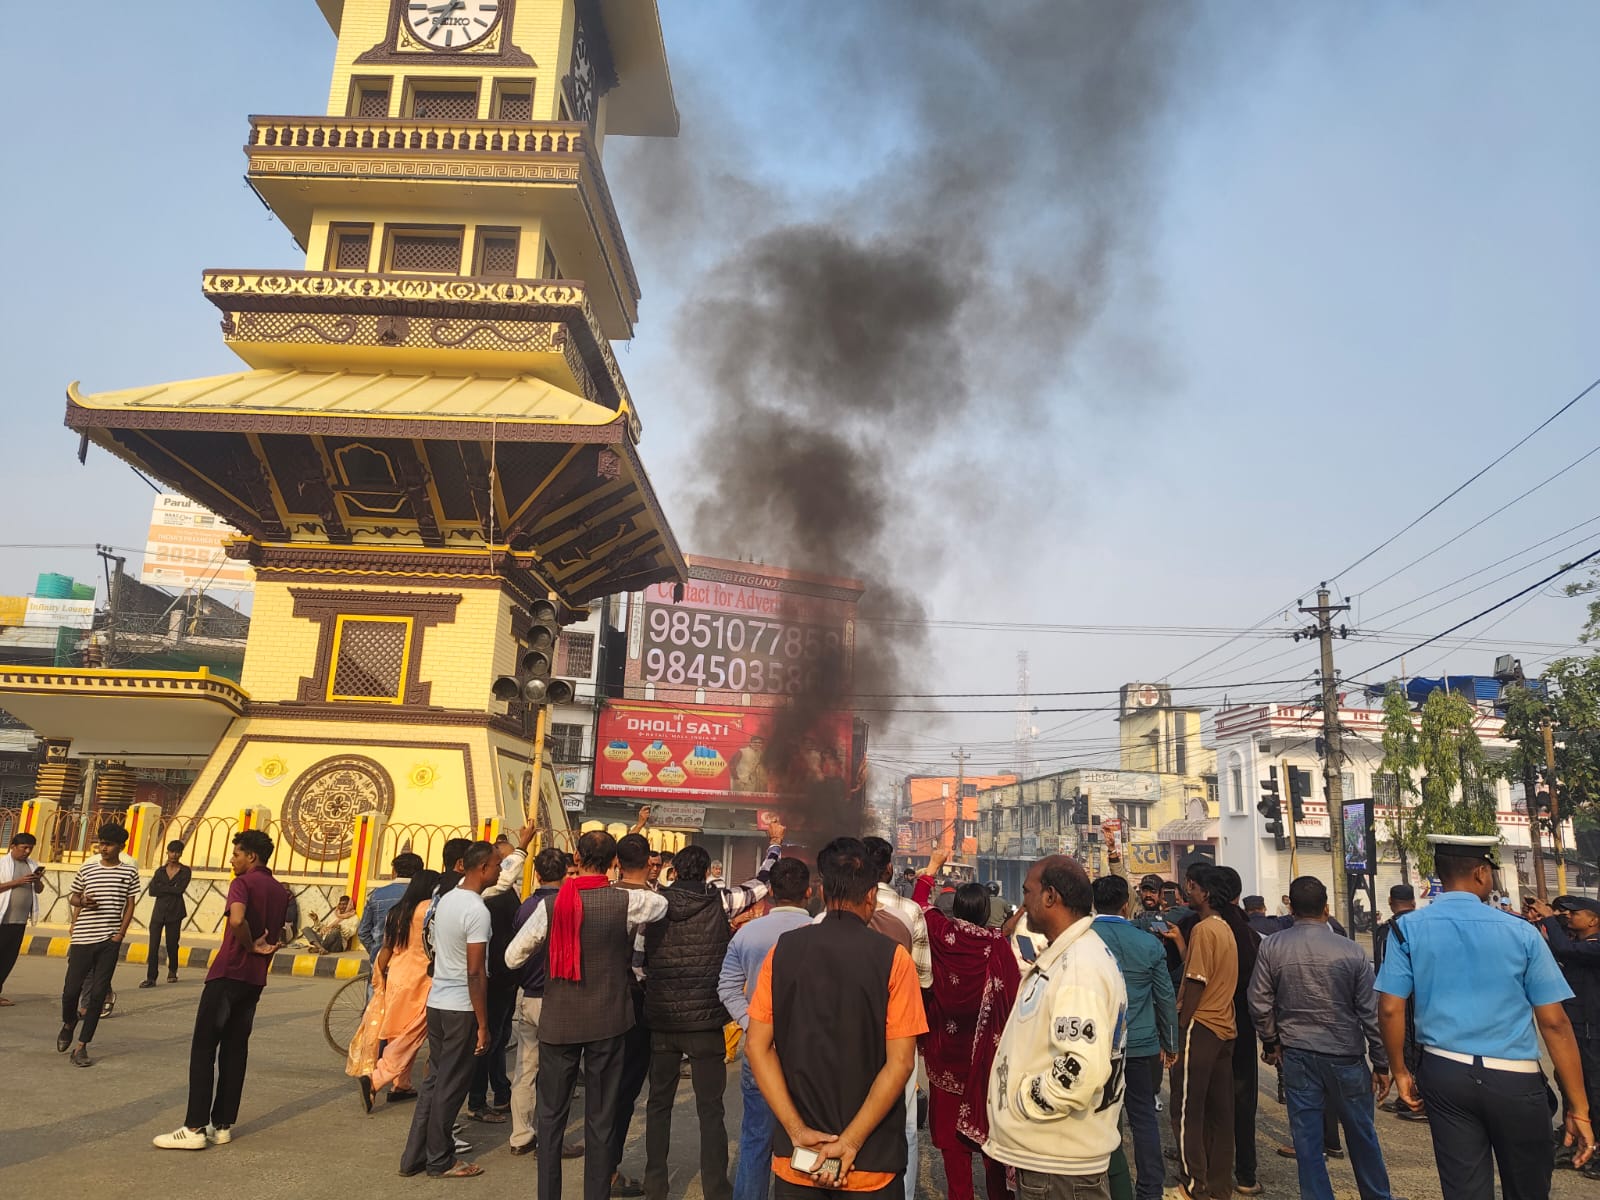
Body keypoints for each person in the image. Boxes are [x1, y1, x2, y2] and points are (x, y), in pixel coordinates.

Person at [1377, 833, 1594, 1200]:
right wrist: (1580, 1106)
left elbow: (1390, 1007)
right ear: (1480, 873)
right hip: (1515, 1079)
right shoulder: (1522, 932)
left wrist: (1400, 1070)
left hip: (1445, 1072)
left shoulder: (1406, 929)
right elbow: (1555, 1024)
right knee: (1527, 1186)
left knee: (1464, 1188)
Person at [745, 836, 928, 1198]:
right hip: (870, 1162)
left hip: (800, 1159)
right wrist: (851, 1141)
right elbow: (901, 1063)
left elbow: (756, 1047)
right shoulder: (894, 960)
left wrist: (795, 1130)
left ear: (822, 891)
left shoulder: (783, 951)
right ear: (872, 896)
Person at [504, 830, 670, 1200]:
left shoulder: (550, 907)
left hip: (559, 1021)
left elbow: (512, 957)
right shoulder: (625, 901)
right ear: (614, 862)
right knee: (601, 1118)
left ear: (575, 860)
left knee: (551, 1119)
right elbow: (660, 906)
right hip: (609, 1022)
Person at [642, 830, 785, 1200]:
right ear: (707, 871)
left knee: (658, 1104)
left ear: (673, 871)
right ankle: (716, 1188)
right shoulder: (720, 900)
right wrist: (774, 846)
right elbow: (761, 884)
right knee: (711, 1108)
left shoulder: (655, 904)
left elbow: (639, 962)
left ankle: (655, 1183)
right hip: (706, 1020)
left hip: (662, 1020)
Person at [984, 855, 1127, 1199]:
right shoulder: (1071, 955)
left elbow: (1082, 1069)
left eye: (1028, 891)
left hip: (1060, 1165)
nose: (1024, 902)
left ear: (1051, 897)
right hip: (1055, 1158)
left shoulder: (1079, 966)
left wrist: (1025, 1101)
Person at [1248, 875, 1395, 1200]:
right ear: (1326, 908)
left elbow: (1258, 1002)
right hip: (1346, 1055)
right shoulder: (1352, 951)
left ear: (1291, 906)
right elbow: (1371, 1014)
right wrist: (1382, 1064)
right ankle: (1377, 1195)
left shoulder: (1273, 945)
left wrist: (1271, 1041)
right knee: (1362, 1135)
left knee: (1307, 1139)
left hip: (1297, 1053)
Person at [152, 829, 291, 1149]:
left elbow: (238, 920)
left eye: (237, 854)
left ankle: (194, 1127)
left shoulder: (242, 883)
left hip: (228, 973)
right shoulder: (279, 891)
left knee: (204, 1048)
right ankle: (222, 1124)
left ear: (251, 857)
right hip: (254, 980)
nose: (232, 860)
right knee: (235, 1048)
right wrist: (260, 952)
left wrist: (249, 947)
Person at [917, 846, 1020, 1200]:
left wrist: (931, 868)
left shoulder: (941, 935)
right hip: (986, 1067)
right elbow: (1016, 997)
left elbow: (919, 906)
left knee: (954, 1153)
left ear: (957, 908)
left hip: (945, 1059)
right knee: (991, 1146)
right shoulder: (997, 946)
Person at [399, 840, 497, 1179]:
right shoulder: (476, 910)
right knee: (450, 1085)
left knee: (434, 1081)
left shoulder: (446, 899)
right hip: (460, 1007)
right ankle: (440, 1159)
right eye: (497, 865)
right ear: (482, 868)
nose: (499, 871)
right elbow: (475, 972)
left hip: (439, 1002)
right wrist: (483, 1024)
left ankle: (415, 1156)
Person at [720, 856, 816, 1200]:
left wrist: (751, 1024)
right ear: (809, 891)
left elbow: (726, 986)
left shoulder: (748, 933)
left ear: (771, 892)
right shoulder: (817, 934)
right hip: (809, 1054)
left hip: (760, 1052)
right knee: (808, 1136)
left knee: (755, 1136)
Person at [1093, 873, 1178, 1200]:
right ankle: (1150, 1190)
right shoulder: (1149, 943)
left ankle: (1110, 1187)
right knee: (1143, 1119)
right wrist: (1170, 1042)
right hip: (1141, 1043)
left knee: (1102, 1117)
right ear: (1126, 905)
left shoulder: (1084, 939)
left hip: (1098, 1045)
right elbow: (1165, 996)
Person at [1169, 864, 1238, 1200]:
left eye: (1192, 886)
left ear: (1205, 893)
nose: (1188, 891)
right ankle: (1219, 1184)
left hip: (1201, 1024)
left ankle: (1192, 1182)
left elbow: (1196, 981)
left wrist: (1181, 1027)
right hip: (1225, 1026)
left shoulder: (1202, 930)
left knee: (1186, 1110)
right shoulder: (1224, 928)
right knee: (1220, 1112)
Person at [355, 869, 442, 1107]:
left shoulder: (397, 912)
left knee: (397, 1028)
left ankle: (401, 1084)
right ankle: (376, 1078)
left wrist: (380, 976)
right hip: (421, 978)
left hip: (396, 974)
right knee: (412, 1033)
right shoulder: (428, 910)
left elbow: (386, 948)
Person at [1528, 894, 1600, 1179]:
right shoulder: (1577, 945)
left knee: (1595, 1089)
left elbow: (1564, 950)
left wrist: (1548, 918)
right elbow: (1552, 951)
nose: (1568, 916)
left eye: (1575, 913)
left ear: (1594, 920)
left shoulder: (1594, 947)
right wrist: (1538, 924)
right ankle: (1574, 1142)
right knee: (1571, 1085)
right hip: (1575, 1028)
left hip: (1592, 1030)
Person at [58, 823, 141, 1066]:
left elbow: (130, 904)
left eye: (109, 844)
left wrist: (120, 934)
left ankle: (82, 1046)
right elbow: (73, 896)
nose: (104, 848)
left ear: (120, 847)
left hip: (109, 940)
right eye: (101, 843)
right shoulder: (88, 869)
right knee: (71, 991)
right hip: (83, 938)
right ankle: (69, 1022)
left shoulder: (129, 872)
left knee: (97, 995)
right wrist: (81, 902)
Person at [506, 848, 568, 1157]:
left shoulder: (525, 907)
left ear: (538, 875)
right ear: (566, 873)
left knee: (525, 1069)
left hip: (528, 996)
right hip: (556, 999)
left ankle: (520, 1134)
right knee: (555, 1073)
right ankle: (549, 1137)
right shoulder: (566, 906)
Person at [605, 831, 656, 1194]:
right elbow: (643, 962)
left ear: (616, 863)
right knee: (624, 1091)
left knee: (602, 1086)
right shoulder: (656, 902)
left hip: (595, 1001)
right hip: (636, 1001)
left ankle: (602, 1166)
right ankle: (608, 1168)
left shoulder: (599, 898)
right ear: (650, 861)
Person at [466, 864, 522, 1125]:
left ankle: (500, 1091)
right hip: (494, 978)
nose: (504, 868)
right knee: (486, 1041)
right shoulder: (482, 899)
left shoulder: (503, 893)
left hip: (504, 978)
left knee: (498, 1040)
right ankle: (477, 1100)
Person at [0, 831, 44, 1004]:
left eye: (30, 848)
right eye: (24, 847)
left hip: (19, 921)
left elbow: (39, 890)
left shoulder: (32, 865)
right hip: (3, 919)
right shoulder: (2, 864)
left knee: (8, 959)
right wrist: (17, 882)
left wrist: (37, 881)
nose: (27, 851)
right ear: (13, 847)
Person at [357, 852, 424, 959]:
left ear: (395, 871)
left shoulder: (377, 894)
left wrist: (376, 951)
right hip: (411, 961)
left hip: (380, 959)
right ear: (420, 872)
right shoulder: (425, 895)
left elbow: (363, 932)